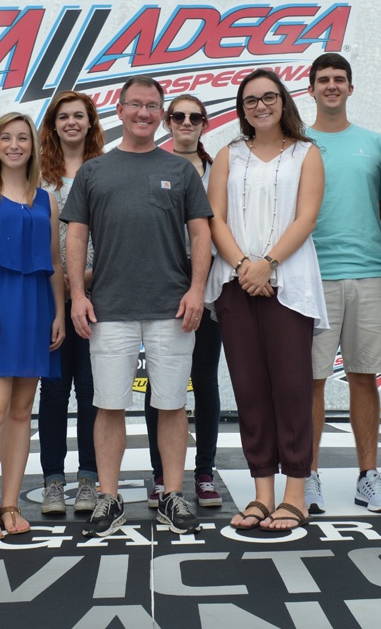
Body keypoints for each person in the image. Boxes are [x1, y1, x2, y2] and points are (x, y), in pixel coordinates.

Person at [62, 75, 212, 537]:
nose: (143, 113)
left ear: (160, 113)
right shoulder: (94, 171)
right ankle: (109, 497)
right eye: (135, 105)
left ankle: (171, 493)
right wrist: (78, 295)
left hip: (171, 307)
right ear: (120, 110)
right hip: (109, 308)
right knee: (108, 405)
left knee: (170, 405)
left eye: (152, 106)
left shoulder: (182, 171)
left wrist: (196, 291)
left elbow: (201, 234)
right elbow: (76, 237)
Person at [205, 68, 328, 532]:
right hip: (236, 283)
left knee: (293, 389)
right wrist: (243, 267)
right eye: (251, 99)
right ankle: (262, 494)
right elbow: (213, 217)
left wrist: (267, 264)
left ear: (283, 102)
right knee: (250, 391)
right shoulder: (228, 155)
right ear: (241, 107)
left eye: (269, 97)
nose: (260, 105)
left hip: (288, 284)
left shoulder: (306, 153)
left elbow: (307, 216)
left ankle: (295, 493)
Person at [0, 112, 65, 540]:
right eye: (7, 138)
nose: (16, 145)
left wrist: (58, 312)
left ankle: (10, 504)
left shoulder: (47, 199)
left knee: (22, 413)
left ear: (33, 147)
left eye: (23, 138)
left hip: (36, 308)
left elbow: (54, 263)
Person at [305, 53, 381, 515]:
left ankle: (368, 476)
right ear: (311, 89)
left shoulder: (375, 144)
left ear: (351, 88)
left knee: (364, 376)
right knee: (312, 380)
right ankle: (307, 477)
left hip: (370, 272)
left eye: (340, 79)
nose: (332, 86)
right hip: (311, 277)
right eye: (323, 80)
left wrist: (360, 242)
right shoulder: (297, 144)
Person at [144, 95, 223, 509]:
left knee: (205, 382)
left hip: (208, 291)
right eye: (178, 116)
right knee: (159, 387)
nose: (186, 122)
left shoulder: (218, 170)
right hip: (160, 290)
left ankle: (204, 474)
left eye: (195, 116)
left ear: (205, 124)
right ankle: (160, 476)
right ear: (167, 122)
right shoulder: (151, 164)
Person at [37, 91, 104, 515]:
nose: (72, 123)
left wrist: (83, 280)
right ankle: (52, 483)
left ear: (91, 122)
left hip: (98, 296)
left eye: (80, 116)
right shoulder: (37, 173)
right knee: (54, 393)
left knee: (93, 393)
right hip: (49, 299)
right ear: (53, 124)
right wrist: (56, 282)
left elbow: (114, 237)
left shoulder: (105, 170)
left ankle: (89, 481)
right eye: (64, 117)